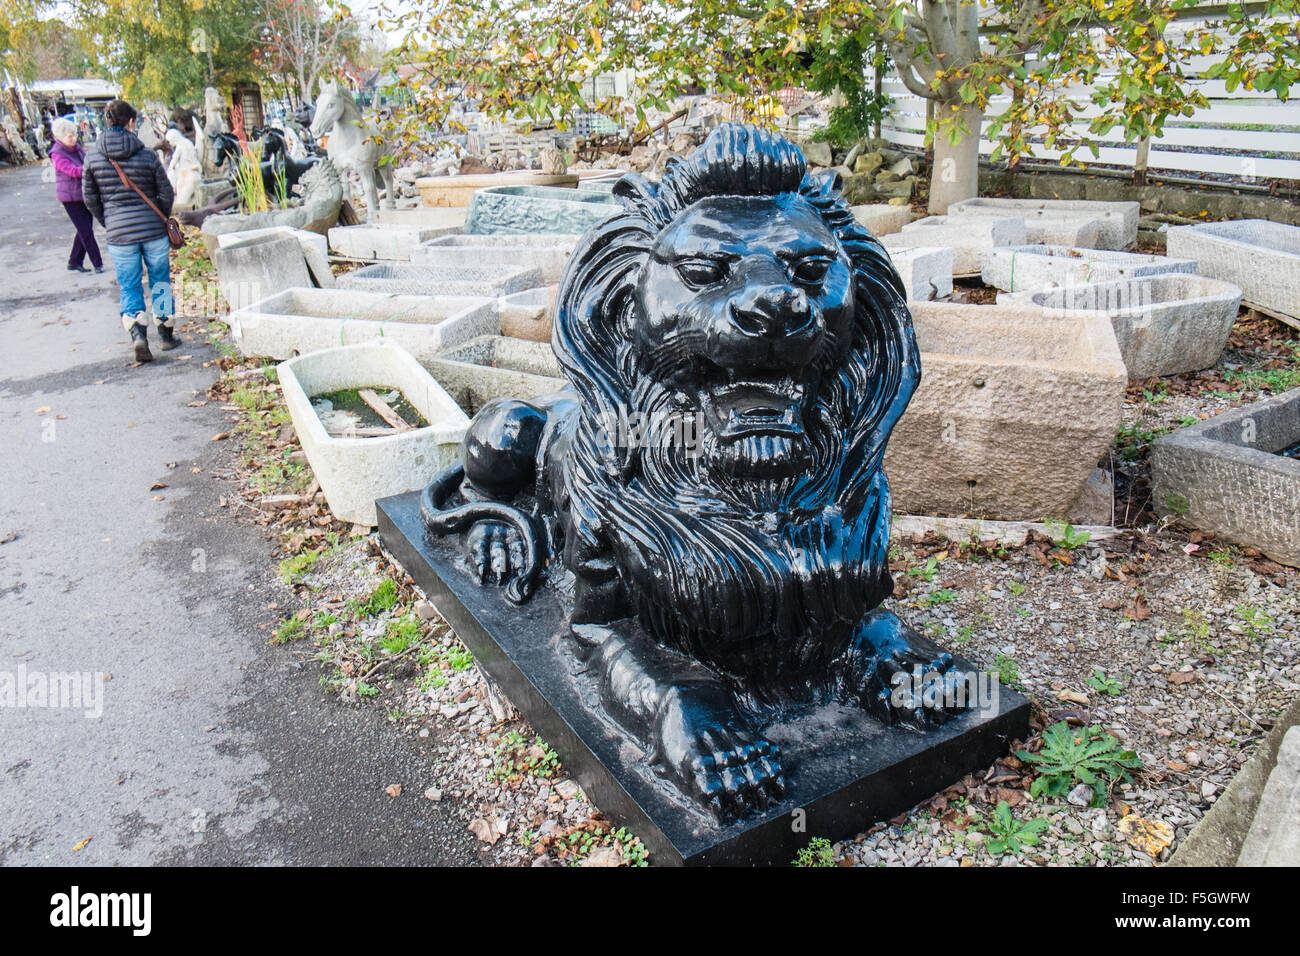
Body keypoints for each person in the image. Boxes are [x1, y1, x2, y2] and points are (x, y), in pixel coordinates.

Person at [83, 99, 178, 364]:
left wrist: (109, 221)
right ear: (132, 123)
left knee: (129, 284)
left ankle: (138, 334)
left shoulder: (93, 156)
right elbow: (166, 192)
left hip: (119, 236)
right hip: (153, 232)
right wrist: (159, 217)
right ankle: (166, 335)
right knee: (160, 280)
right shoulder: (147, 155)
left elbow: (89, 198)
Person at [49, 118, 104, 275]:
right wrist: (89, 169)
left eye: (74, 135)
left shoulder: (76, 148)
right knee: (86, 230)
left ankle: (74, 261)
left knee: (84, 228)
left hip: (83, 193)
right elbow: (72, 171)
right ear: (59, 137)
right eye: (69, 136)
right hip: (70, 197)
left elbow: (87, 160)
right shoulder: (57, 154)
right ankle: (98, 263)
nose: (73, 139)